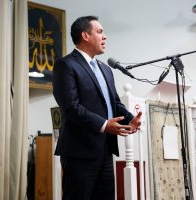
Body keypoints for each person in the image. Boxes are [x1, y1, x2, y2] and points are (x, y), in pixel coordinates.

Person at [52, 15, 142, 200]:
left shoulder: (105, 68)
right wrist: (103, 124)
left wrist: (129, 118)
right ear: (85, 36)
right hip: (79, 151)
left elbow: (114, 103)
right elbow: (71, 107)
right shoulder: (66, 65)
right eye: (100, 31)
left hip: (105, 149)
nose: (105, 36)